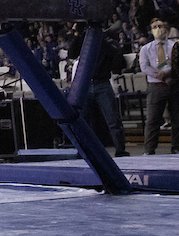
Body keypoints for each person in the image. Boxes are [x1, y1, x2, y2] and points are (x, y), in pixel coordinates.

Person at [72, 25, 129, 158]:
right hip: (85, 84)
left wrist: (103, 39)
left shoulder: (106, 42)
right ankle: (83, 151)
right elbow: (72, 53)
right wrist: (77, 35)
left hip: (101, 82)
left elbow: (117, 59)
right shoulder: (83, 40)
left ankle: (120, 150)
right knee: (82, 120)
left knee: (113, 120)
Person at [140, 18, 179, 155]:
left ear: (166, 28)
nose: (158, 29)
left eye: (160, 26)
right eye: (155, 27)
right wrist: (159, 75)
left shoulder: (174, 46)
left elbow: (175, 64)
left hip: (173, 85)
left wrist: (166, 72)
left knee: (177, 118)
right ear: (151, 31)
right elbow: (144, 67)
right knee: (152, 120)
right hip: (155, 85)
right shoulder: (146, 48)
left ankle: (176, 148)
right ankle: (149, 149)